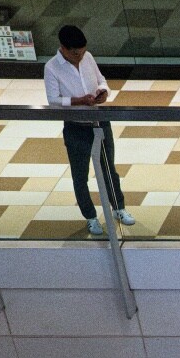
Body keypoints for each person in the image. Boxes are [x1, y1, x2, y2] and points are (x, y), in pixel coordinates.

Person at [44, 24, 133, 237]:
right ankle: (91, 216)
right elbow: (53, 100)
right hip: (75, 127)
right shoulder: (52, 67)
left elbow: (101, 80)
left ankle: (118, 207)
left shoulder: (88, 58)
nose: (79, 56)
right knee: (80, 174)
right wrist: (79, 101)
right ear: (63, 49)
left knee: (108, 168)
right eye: (75, 53)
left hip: (99, 122)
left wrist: (103, 92)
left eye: (83, 51)